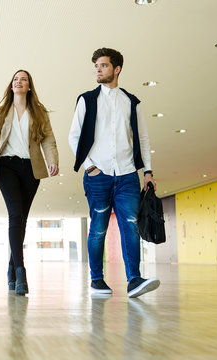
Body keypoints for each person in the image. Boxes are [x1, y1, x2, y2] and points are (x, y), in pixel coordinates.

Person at [68, 48, 160, 298]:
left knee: (130, 224)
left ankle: (134, 280)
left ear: (116, 69)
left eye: (103, 65)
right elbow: (74, 136)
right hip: (99, 175)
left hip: (128, 174)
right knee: (98, 228)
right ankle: (97, 280)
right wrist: (90, 166)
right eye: (96, 65)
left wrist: (147, 171)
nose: (98, 69)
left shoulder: (131, 101)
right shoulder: (86, 99)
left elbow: (142, 137)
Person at [0, 70, 59, 296]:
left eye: (23, 79)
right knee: (15, 216)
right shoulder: (1, 113)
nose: (19, 82)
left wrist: (53, 161)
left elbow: (48, 139)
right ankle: (20, 271)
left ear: (29, 87)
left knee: (22, 219)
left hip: (31, 168)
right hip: (6, 166)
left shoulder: (39, 112)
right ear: (11, 86)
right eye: (16, 79)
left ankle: (10, 268)